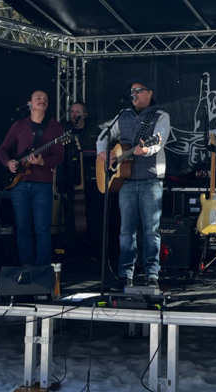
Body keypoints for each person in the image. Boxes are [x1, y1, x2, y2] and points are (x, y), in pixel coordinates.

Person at [97, 79, 170, 288]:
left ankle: (152, 275)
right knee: (126, 230)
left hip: (150, 180)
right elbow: (104, 134)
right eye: (132, 91)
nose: (134, 94)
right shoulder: (123, 116)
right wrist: (104, 154)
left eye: (138, 91)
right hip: (126, 182)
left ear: (149, 93)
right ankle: (125, 274)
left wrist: (147, 149)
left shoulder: (160, 116)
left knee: (151, 230)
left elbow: (159, 138)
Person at [0, 90, 65, 266]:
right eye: (38, 98)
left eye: (45, 99)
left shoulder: (55, 127)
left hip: (42, 184)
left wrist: (43, 161)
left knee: (42, 229)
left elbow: (59, 156)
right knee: (23, 229)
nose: (42, 101)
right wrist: (8, 163)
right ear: (29, 103)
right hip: (19, 184)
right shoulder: (19, 125)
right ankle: (26, 267)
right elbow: (2, 149)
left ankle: (42, 268)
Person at [58, 102, 91, 261]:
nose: (74, 114)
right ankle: (69, 245)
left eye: (77, 112)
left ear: (84, 115)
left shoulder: (93, 130)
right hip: (68, 178)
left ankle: (87, 249)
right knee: (68, 214)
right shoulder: (64, 130)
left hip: (88, 180)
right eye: (71, 112)